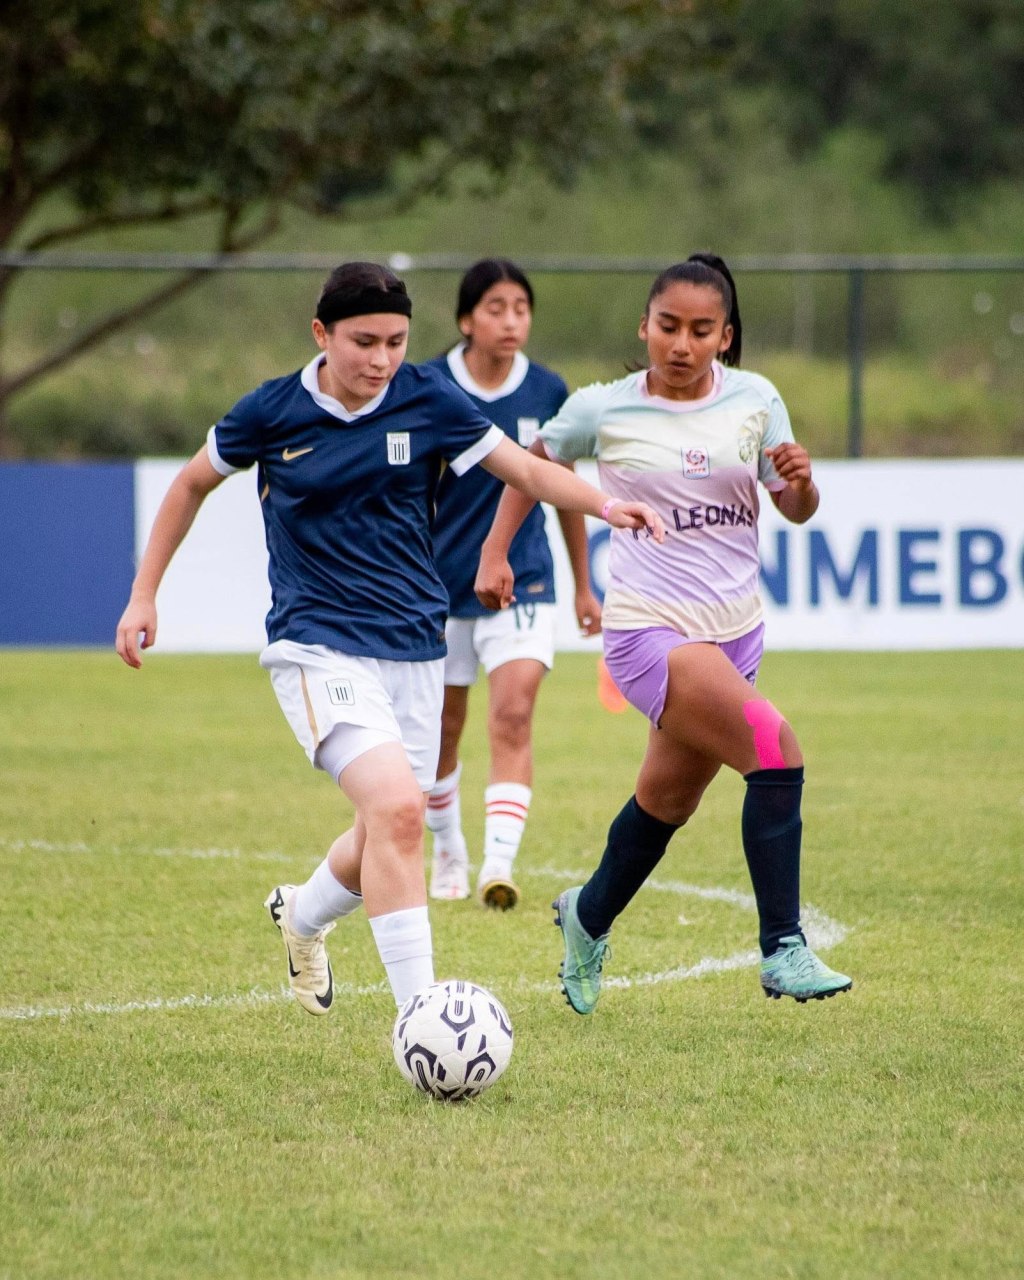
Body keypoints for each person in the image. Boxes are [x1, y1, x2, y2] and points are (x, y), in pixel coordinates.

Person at [114, 261, 663, 1020]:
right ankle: (424, 1022)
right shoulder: (271, 411)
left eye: (396, 342)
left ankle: (302, 919)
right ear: (321, 334)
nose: (379, 360)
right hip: (314, 646)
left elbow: (526, 473)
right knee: (402, 813)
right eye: (362, 341)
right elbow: (190, 485)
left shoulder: (429, 397)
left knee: (383, 826)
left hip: (414, 649)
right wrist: (145, 594)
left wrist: (610, 505)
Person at [476, 253, 853, 1012]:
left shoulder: (756, 400)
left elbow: (797, 509)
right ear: (644, 326)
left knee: (666, 803)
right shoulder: (602, 408)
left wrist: (804, 482)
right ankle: (783, 947)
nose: (682, 344)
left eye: (701, 330)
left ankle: (585, 915)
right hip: (648, 631)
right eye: (669, 326)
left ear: (726, 336)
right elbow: (528, 466)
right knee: (775, 750)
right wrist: (494, 551)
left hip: (737, 634)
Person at [424, 259, 602, 909]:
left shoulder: (549, 393)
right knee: (443, 728)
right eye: (495, 308)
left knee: (514, 713)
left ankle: (497, 866)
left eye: (521, 307)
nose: (510, 320)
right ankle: (448, 849)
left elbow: (563, 495)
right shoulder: (428, 386)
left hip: (522, 581)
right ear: (466, 319)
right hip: (437, 587)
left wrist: (585, 587)